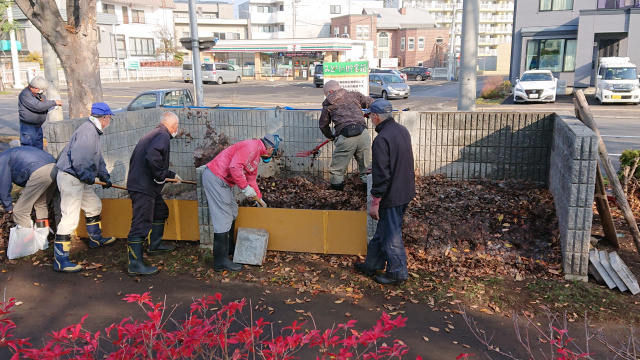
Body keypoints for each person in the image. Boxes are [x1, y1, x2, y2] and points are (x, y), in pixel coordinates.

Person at [354, 99, 415, 285]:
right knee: (383, 231)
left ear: (376, 116)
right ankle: (372, 265)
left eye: (371, 117)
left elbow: (382, 175)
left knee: (391, 236)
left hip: (391, 195)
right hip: (404, 190)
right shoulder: (401, 130)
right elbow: (398, 160)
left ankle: (397, 273)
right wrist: (379, 169)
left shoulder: (381, 139)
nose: (371, 121)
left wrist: (375, 202)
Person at [202, 134, 281, 272]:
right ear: (271, 149)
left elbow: (251, 179)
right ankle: (220, 261)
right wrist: (244, 188)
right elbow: (234, 167)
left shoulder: (256, 154)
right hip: (215, 177)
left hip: (224, 182)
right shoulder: (251, 146)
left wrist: (258, 198)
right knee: (223, 216)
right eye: (273, 152)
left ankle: (229, 248)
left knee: (233, 210)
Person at [54, 102, 116, 273]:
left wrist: (104, 175)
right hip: (71, 178)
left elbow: (97, 157)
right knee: (70, 218)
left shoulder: (93, 131)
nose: (109, 121)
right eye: (109, 118)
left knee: (94, 205)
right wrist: (88, 178)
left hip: (79, 178)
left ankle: (95, 239)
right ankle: (60, 260)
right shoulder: (87, 132)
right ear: (105, 118)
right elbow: (80, 160)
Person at [126, 112, 182, 277]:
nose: (176, 130)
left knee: (160, 211)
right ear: (173, 126)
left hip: (146, 185)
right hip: (143, 187)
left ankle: (154, 245)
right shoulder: (162, 135)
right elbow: (153, 156)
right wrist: (162, 175)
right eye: (177, 128)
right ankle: (135, 264)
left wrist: (170, 174)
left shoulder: (154, 134)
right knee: (141, 222)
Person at [318, 80, 374, 191]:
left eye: (326, 94)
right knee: (366, 167)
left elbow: (323, 125)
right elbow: (372, 102)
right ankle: (368, 197)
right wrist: (370, 112)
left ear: (329, 91)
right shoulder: (354, 95)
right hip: (363, 133)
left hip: (345, 136)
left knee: (338, 170)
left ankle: (337, 196)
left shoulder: (328, 103)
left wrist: (331, 136)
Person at [0, 146, 57, 230]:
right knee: (40, 204)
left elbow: (3, 185)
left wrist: (9, 207)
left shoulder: (2, 159)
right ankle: (42, 238)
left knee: (20, 211)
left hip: (40, 172)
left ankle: (27, 240)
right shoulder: (11, 153)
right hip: (55, 168)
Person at [18, 76, 62, 149]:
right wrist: (53, 102)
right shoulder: (25, 94)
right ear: (35, 88)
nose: (43, 91)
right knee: (29, 150)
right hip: (28, 128)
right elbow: (38, 106)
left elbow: (43, 103)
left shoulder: (38, 94)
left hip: (38, 126)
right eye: (42, 89)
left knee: (39, 149)